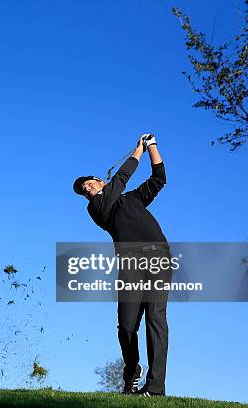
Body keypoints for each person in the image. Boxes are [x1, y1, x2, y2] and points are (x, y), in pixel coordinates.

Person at [72, 134, 171, 397]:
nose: (86, 189)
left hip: (158, 258)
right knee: (127, 327)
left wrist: (152, 147)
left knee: (156, 319)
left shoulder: (131, 199)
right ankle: (131, 372)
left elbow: (159, 179)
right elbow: (121, 179)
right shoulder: (97, 208)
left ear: (99, 182)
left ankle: (156, 387)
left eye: (88, 184)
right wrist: (137, 150)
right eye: (83, 190)